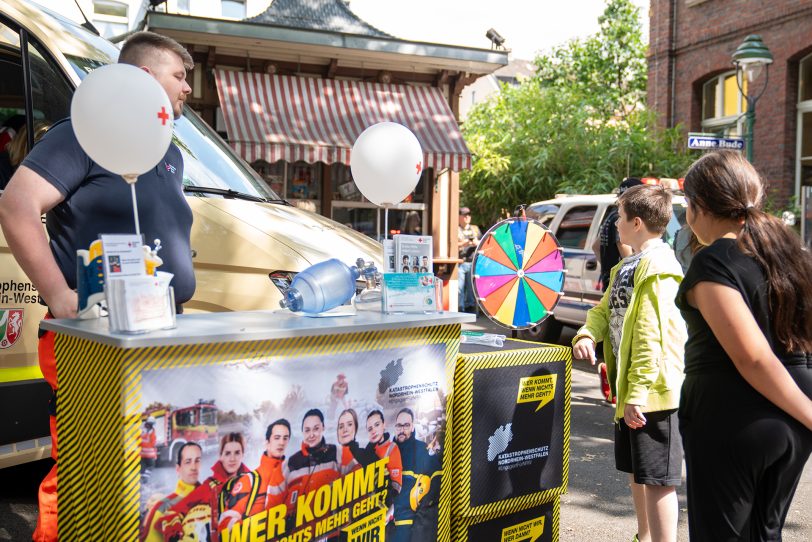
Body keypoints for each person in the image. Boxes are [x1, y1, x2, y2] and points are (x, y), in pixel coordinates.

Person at [0, 31, 194, 542]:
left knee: (142, 470)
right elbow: (17, 206)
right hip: (92, 339)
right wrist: (61, 296)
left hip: (154, 335)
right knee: (85, 466)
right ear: (145, 79)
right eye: (180, 76)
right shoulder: (82, 133)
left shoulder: (170, 155)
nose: (188, 89)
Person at [675, 151, 812, 540]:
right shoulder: (785, 253)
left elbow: (751, 356)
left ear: (698, 206)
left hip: (735, 417)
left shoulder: (714, 261)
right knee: (765, 533)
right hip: (792, 421)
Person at [572, 184, 686, 542]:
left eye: (619, 217)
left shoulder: (659, 267)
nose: (614, 225)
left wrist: (637, 393)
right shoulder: (628, 265)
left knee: (658, 480)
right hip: (632, 393)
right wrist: (587, 334)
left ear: (636, 223)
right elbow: (603, 310)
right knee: (639, 472)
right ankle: (644, 536)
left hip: (654, 394)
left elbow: (653, 336)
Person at [160, 432, 249, 541]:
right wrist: (175, 532)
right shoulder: (210, 486)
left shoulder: (254, 481)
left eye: (237, 453)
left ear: (243, 455)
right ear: (221, 456)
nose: (232, 459)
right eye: (227, 453)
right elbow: (175, 511)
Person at [219, 420, 291, 530]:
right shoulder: (249, 481)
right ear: (267, 442)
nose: (281, 442)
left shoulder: (292, 475)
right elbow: (225, 522)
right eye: (277, 438)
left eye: (285, 438)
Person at [391, 408, 441, 542]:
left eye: (406, 425)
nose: (402, 430)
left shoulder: (422, 450)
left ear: (413, 427)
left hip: (410, 526)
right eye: (399, 425)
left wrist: (423, 508)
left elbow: (437, 477)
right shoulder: (386, 452)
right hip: (386, 526)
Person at [285, 409, 343, 517]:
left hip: (331, 529)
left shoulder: (336, 453)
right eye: (307, 430)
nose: (311, 435)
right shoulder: (291, 463)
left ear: (323, 428)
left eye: (316, 429)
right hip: (300, 532)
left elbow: (359, 482)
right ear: (302, 431)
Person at [140, 442, 202, 542]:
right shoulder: (162, 508)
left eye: (197, 461)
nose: (193, 467)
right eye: (188, 462)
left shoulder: (211, 499)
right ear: (178, 469)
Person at [592, 177, 643, 292]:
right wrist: (631, 273)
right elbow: (622, 244)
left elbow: (596, 246)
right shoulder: (620, 218)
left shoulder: (611, 216)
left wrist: (609, 269)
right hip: (621, 287)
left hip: (610, 282)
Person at [457, 207, 481, 313]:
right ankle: (460, 308)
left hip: (473, 263)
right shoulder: (455, 229)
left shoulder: (475, 229)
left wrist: (477, 242)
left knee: (471, 289)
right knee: (459, 289)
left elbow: (483, 242)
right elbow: (451, 245)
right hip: (460, 262)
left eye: (469, 214)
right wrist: (464, 243)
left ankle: (470, 309)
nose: (467, 217)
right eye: (464, 214)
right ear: (459, 216)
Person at [140, 416, 158, 483]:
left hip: (141, 453)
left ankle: (141, 479)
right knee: (151, 465)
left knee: (142, 466)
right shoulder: (152, 432)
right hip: (149, 454)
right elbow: (153, 443)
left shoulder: (141, 429)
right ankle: (145, 479)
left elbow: (137, 440)